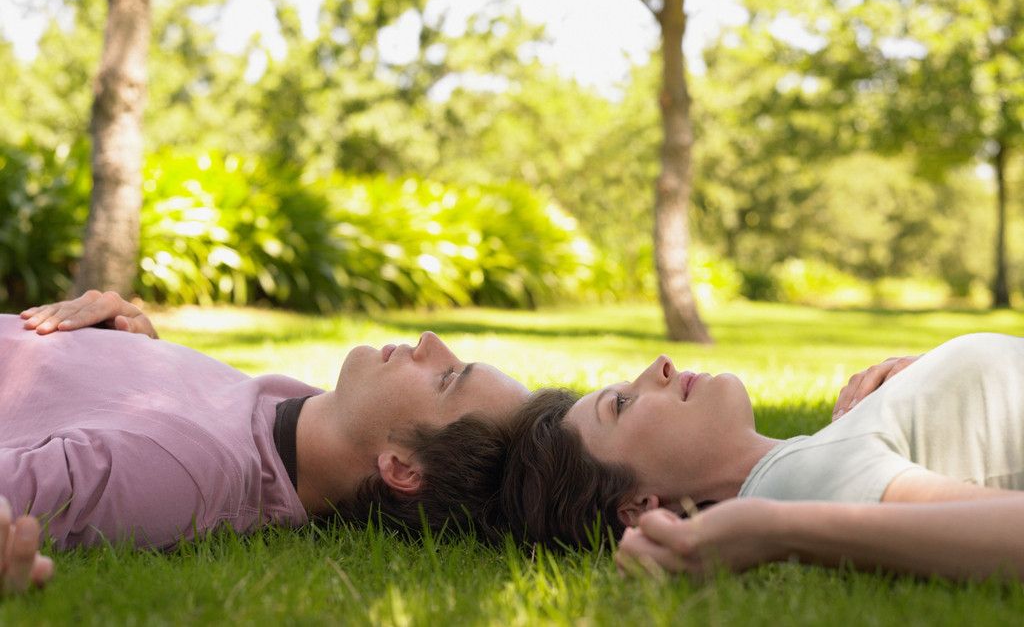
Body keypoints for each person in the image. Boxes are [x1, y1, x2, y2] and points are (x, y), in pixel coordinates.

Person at [1, 291, 528, 594]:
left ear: (404, 469)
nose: (432, 341)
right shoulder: (277, 416)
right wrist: (130, 350)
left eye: (447, 379)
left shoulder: (180, 469)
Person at [500, 333, 1024, 582]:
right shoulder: (801, 479)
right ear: (639, 508)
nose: (659, 365)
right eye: (621, 404)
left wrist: (926, 382)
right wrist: (770, 528)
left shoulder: (821, 452)